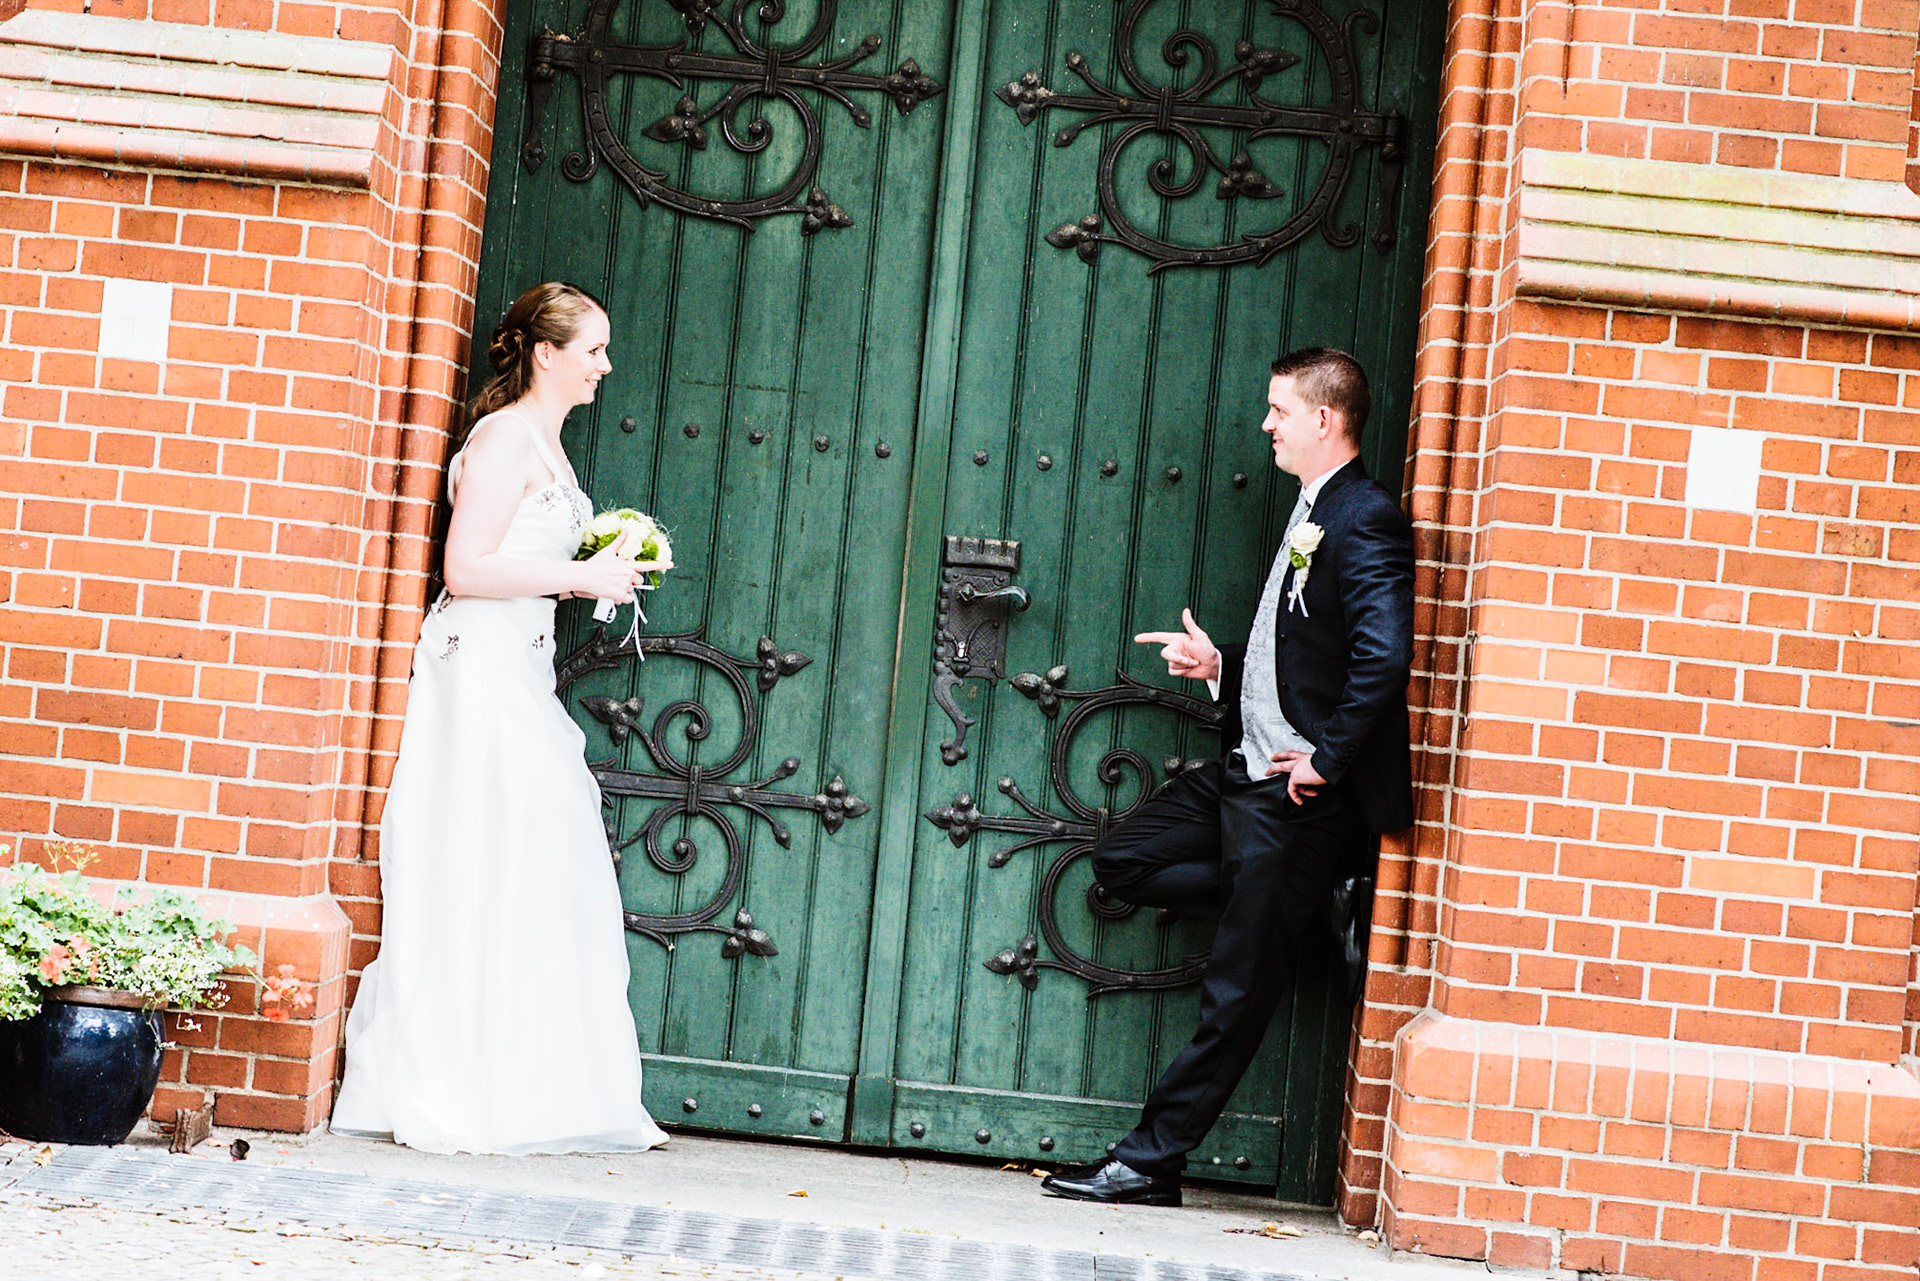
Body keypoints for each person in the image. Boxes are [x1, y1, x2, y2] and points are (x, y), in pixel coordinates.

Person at [1041, 348, 1414, 1206]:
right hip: (1244, 774)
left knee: (1234, 992)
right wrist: (1220, 665)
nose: (1266, 424)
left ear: (1324, 417)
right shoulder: (1311, 508)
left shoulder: (1366, 518)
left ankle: (1149, 1162)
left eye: (1279, 409)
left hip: (1295, 795)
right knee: (1122, 859)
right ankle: (1298, 906)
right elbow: (1305, 652)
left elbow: (1383, 656)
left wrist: (1326, 758)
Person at [331, 282, 673, 1154]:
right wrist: (579, 577)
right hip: (477, 670)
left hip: (519, 665)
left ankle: (523, 1076)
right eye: (593, 350)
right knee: (488, 852)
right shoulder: (501, 439)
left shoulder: (546, 444)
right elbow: (466, 568)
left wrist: (602, 558)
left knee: (531, 856)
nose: (605, 365)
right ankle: (461, 1079)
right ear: (547, 353)